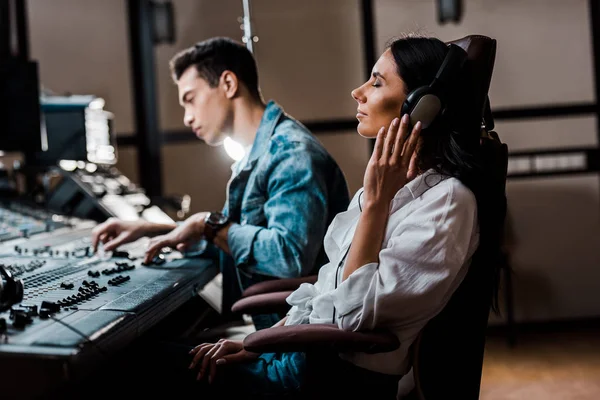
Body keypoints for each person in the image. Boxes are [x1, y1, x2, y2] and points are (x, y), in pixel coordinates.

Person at [157, 35, 495, 398]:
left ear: (422, 106)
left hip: (333, 381)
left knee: (133, 367)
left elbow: (348, 319)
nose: (357, 92)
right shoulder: (387, 187)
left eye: (377, 82)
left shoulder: (445, 203)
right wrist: (258, 344)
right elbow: (326, 289)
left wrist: (378, 204)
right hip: (296, 359)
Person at [90, 37, 350, 330]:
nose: (187, 118)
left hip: (293, 348)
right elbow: (231, 238)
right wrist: (154, 230)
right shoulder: (259, 152)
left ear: (228, 83)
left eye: (190, 99)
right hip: (276, 333)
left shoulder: (290, 153)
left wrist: (207, 225)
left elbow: (287, 256)